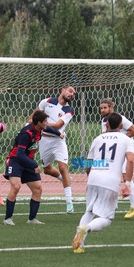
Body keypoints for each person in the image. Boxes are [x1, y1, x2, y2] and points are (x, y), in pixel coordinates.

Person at [72, 113, 134, 253]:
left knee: (89, 211)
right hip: (110, 181)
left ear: (106, 124)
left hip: (93, 178)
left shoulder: (98, 138)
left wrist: (90, 176)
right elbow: (130, 160)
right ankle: (86, 228)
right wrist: (128, 184)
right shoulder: (126, 139)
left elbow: (88, 162)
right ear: (120, 126)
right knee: (107, 217)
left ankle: (79, 246)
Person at [3, 110, 65, 226]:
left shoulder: (40, 128)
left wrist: (58, 133)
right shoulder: (27, 133)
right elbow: (20, 154)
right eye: (45, 121)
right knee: (16, 187)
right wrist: (35, 165)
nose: (47, 123)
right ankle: (8, 219)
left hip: (27, 161)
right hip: (15, 161)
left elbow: (49, 129)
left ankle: (32, 219)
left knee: (38, 188)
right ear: (39, 123)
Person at [27, 86, 76, 214]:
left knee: (62, 167)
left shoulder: (69, 111)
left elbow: (59, 125)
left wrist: (40, 125)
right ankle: (64, 178)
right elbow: (34, 116)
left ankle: (69, 202)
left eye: (73, 93)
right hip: (44, 141)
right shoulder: (46, 101)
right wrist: (30, 123)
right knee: (47, 170)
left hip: (58, 140)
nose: (72, 94)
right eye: (70, 91)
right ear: (63, 90)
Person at [100, 98, 134, 219]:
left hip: (129, 150)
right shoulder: (104, 121)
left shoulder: (121, 118)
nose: (102, 110)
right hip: (117, 151)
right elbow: (105, 135)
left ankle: (133, 207)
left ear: (112, 107)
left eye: (105, 107)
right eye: (101, 108)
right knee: (114, 176)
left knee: (125, 175)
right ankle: (113, 205)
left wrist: (121, 139)